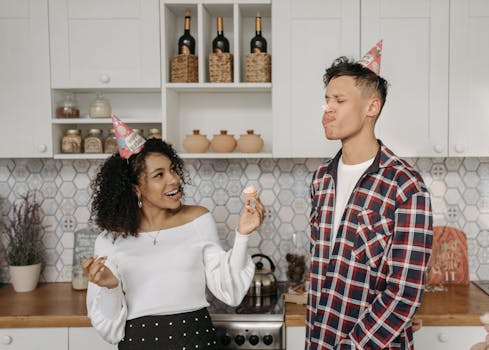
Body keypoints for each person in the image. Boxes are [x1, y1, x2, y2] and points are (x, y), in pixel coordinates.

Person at [83, 116, 265, 349]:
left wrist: (243, 235)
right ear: (136, 188)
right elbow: (109, 330)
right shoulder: (109, 241)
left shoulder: (198, 220)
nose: (174, 179)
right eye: (159, 175)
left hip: (196, 340)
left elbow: (230, 290)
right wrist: (110, 287)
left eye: (172, 170)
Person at [307, 41, 433, 349]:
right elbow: (323, 269)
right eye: (326, 100)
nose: (327, 108)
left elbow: (403, 293)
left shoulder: (405, 186)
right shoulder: (321, 179)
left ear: (371, 107)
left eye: (339, 99)